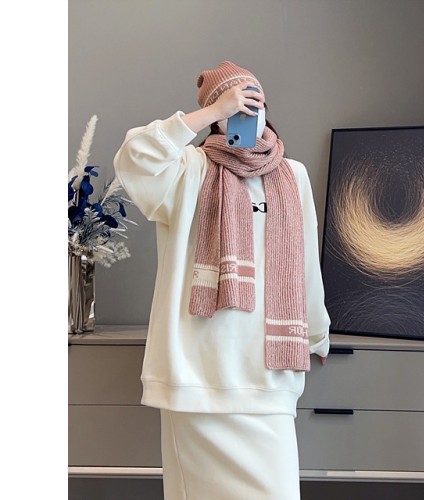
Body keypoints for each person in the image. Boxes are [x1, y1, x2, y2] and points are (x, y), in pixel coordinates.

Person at [113, 60, 331, 500]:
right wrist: (210, 113)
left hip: (268, 379)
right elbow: (134, 158)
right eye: (236, 103)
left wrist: (315, 334)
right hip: (196, 377)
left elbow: (306, 260)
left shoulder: (294, 176)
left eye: (255, 101)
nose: (248, 110)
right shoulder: (186, 171)